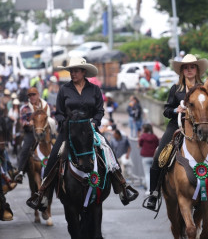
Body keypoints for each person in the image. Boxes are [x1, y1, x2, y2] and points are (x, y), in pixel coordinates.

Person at [25, 57, 138, 211]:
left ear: (84, 72)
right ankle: (43, 193)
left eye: (76, 70)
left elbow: (100, 110)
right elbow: (59, 113)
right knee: (54, 156)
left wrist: (94, 122)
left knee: (108, 150)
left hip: (90, 130)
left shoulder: (94, 90)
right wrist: (66, 124)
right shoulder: (64, 90)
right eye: (71, 71)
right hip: (68, 132)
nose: (73, 73)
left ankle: (122, 187)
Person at [144, 54, 208, 211]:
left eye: (192, 67)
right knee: (160, 155)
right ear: (182, 71)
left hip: (200, 126)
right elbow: (166, 110)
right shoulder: (176, 89)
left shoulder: (205, 89)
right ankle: (154, 193)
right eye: (185, 67)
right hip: (177, 125)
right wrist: (176, 109)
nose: (189, 70)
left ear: (197, 69)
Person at [14, 87, 55, 183]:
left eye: (34, 94)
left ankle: (62, 169)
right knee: (25, 149)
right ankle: (20, 171)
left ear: (38, 95)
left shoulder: (47, 106)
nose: (32, 97)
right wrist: (29, 123)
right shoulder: (25, 108)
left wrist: (49, 121)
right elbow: (22, 121)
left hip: (46, 131)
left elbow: (53, 116)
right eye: (30, 95)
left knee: (59, 146)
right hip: (31, 132)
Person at [138, 123, 159, 195]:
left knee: (147, 174)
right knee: (154, 173)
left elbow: (140, 144)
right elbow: (157, 145)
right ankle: (156, 189)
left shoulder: (143, 136)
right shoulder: (154, 136)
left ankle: (149, 190)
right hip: (154, 157)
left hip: (145, 157)